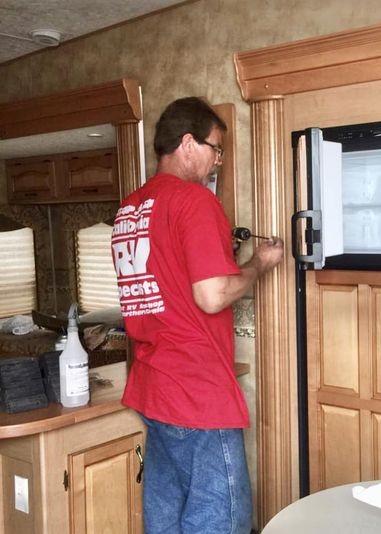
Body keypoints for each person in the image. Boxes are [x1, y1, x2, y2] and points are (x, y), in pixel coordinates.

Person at [111, 96, 284, 534]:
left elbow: (167, 282)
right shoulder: (194, 201)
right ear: (188, 143)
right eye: (215, 149)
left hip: (153, 388)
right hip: (195, 392)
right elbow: (211, 296)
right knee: (222, 519)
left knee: (167, 515)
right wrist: (260, 264)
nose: (218, 161)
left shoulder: (129, 210)